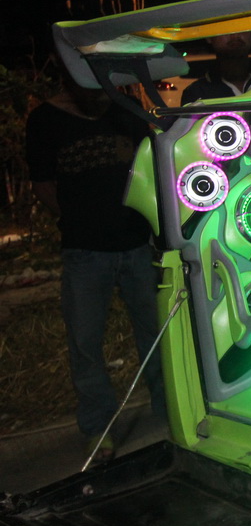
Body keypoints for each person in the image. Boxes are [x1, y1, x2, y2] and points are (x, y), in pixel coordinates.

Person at [25, 69, 165, 464]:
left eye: (106, 89)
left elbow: (153, 167)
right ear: (69, 80)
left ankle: (170, 408)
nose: (101, 97)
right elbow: (43, 183)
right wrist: (78, 219)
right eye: (90, 88)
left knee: (155, 333)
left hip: (137, 243)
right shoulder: (46, 119)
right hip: (84, 251)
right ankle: (99, 428)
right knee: (86, 343)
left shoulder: (127, 110)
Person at [180, 31, 251, 105]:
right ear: (209, 37)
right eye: (226, 30)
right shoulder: (197, 93)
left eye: (242, 28)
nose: (235, 36)